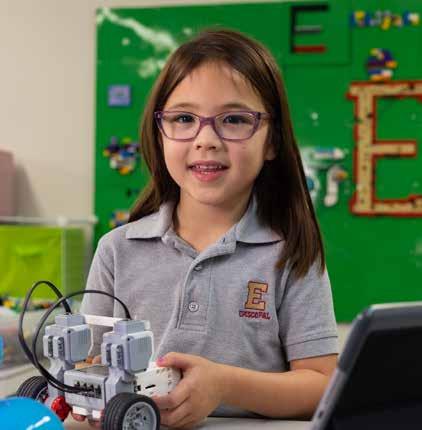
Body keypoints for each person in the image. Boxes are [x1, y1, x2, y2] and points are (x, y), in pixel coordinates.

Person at [81, 28, 338, 428]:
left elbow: (322, 386)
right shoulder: (118, 249)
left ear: (272, 141)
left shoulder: (292, 252)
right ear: (159, 134)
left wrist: (224, 386)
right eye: (184, 118)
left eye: (234, 119)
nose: (206, 139)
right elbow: (86, 369)